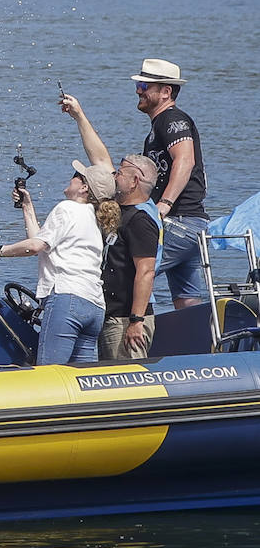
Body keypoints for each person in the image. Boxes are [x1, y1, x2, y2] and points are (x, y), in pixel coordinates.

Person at [0, 163, 114, 364]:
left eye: (77, 176)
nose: (72, 178)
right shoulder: (94, 217)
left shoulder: (67, 208)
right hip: (94, 306)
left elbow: (34, 247)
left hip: (67, 300)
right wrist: (27, 206)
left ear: (84, 187)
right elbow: (40, 241)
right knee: (83, 378)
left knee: (50, 372)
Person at [60, 93, 162, 359]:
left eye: (120, 172)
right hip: (109, 315)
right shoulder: (120, 208)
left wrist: (136, 320)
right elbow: (100, 161)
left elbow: (146, 272)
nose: (114, 174)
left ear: (134, 181)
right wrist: (79, 115)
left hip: (127, 319)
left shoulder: (141, 219)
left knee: (127, 382)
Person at [132, 59, 208, 310]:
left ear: (166, 92)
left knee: (132, 273)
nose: (138, 90)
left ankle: (134, 335)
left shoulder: (172, 120)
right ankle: (196, 345)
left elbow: (185, 160)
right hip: (191, 225)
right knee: (187, 300)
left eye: (144, 85)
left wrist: (163, 205)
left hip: (179, 222)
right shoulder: (157, 127)